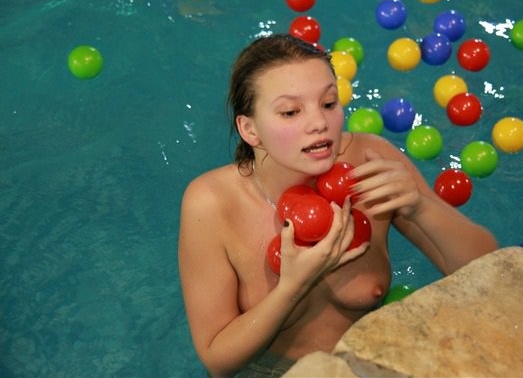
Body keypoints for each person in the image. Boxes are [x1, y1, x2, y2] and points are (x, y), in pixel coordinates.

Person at [178, 33, 497, 377]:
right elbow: (217, 360)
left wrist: (421, 207)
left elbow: (491, 272)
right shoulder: (211, 203)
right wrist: (292, 288)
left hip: (376, 360)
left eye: (329, 104)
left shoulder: (371, 161)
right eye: (290, 112)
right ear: (250, 129)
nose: (319, 124)